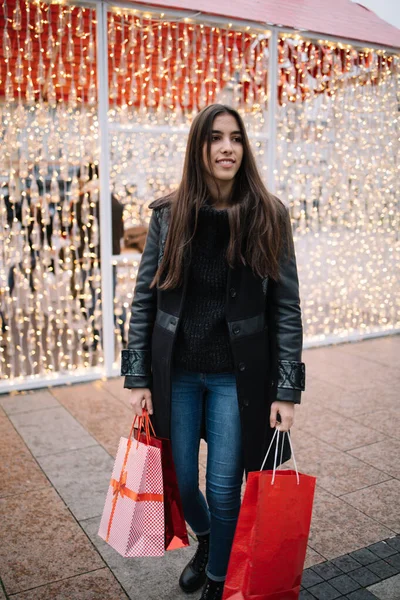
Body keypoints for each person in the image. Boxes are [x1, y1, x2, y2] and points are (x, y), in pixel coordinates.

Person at [121, 104, 305, 600]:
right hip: (176, 372)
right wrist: (138, 376)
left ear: (245, 148)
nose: (227, 147)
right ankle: (207, 542)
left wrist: (286, 390)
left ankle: (220, 578)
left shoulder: (270, 214)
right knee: (179, 482)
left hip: (235, 377)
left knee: (225, 489)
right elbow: (144, 298)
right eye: (216, 138)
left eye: (236, 138)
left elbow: (285, 306)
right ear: (199, 148)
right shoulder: (169, 214)